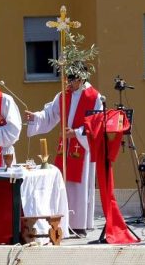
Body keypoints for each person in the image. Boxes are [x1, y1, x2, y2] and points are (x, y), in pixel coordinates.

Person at [24, 70, 103, 238]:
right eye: (67, 80)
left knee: (80, 187)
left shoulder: (94, 97)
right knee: (64, 183)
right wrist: (35, 117)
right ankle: (63, 223)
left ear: (81, 79)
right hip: (65, 147)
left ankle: (79, 225)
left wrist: (77, 133)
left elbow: (97, 122)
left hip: (82, 146)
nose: (68, 84)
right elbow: (50, 114)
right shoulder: (63, 94)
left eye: (72, 81)